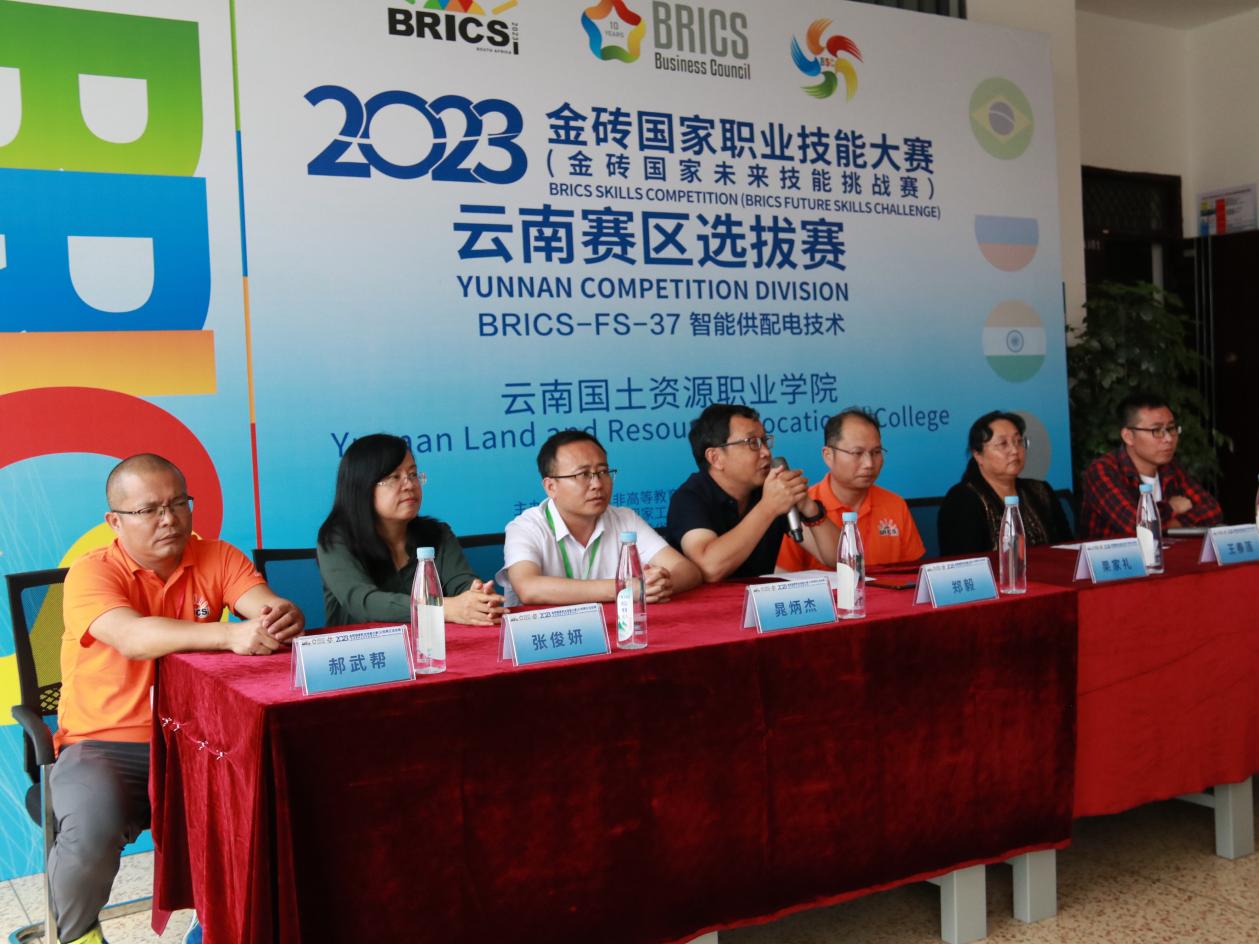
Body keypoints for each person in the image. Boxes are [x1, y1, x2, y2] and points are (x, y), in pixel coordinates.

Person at [54, 454, 304, 944]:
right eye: (148, 510)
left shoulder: (218, 556)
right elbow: (132, 637)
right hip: (107, 743)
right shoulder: (90, 573)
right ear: (114, 521)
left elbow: (262, 606)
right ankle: (77, 936)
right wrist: (229, 636)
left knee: (271, 803)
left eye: (178, 504)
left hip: (199, 739)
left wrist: (279, 616)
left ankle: (219, 922)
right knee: (91, 830)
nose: (168, 519)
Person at [317, 434, 504, 626]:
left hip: (434, 642)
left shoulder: (437, 534)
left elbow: (462, 583)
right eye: (394, 477)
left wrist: (478, 597)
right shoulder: (336, 541)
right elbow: (364, 602)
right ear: (363, 486)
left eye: (413, 474)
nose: (409, 485)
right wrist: (442, 608)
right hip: (363, 644)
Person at [498, 429, 701, 606]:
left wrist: (656, 584)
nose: (597, 484)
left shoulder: (625, 519)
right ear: (551, 487)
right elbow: (528, 587)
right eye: (583, 475)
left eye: (603, 472)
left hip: (617, 629)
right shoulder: (526, 527)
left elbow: (686, 571)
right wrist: (624, 588)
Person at [667, 404, 840, 581]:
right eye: (752, 443)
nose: (766, 452)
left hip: (759, 598)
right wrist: (768, 507)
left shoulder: (769, 489)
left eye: (765, 441)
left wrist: (810, 508)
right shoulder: (689, 498)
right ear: (715, 458)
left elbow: (840, 559)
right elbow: (709, 568)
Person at [777, 409, 925, 571]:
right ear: (828, 455)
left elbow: (913, 574)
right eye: (857, 453)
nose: (869, 463)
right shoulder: (801, 508)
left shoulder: (895, 505)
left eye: (876, 452)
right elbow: (785, 577)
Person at [1079, 392, 1222, 538]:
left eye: (1171, 428)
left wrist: (1172, 525)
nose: (1168, 439)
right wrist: (1171, 508)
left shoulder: (1170, 467)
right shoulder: (1103, 470)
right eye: (1157, 430)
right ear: (1128, 436)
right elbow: (1137, 526)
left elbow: (1212, 510)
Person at [938, 411, 1072, 555]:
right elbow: (963, 564)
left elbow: (1067, 549)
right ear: (978, 455)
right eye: (1003, 444)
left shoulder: (1041, 490)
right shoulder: (963, 499)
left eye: (1018, 441)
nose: (1015, 450)